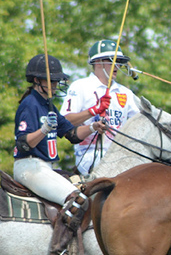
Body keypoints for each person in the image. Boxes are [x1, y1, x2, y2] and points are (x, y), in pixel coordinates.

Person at [14, 54, 107, 255]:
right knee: (78, 199)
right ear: (38, 81)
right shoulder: (29, 104)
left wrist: (93, 127)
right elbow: (24, 142)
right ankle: (56, 254)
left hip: (46, 167)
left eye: (57, 80)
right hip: (29, 166)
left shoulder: (48, 105)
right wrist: (44, 130)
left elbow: (73, 134)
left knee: (87, 190)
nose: (56, 84)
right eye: (52, 80)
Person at [60, 39, 140, 176]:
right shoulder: (81, 86)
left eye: (119, 61)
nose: (117, 65)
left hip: (121, 154)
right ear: (98, 62)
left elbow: (140, 121)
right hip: (90, 154)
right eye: (112, 60)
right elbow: (65, 121)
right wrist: (93, 110)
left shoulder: (125, 92)